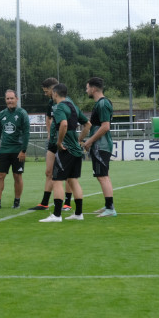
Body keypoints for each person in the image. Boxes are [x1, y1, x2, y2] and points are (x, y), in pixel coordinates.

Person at [39, 83, 91, 222]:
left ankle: (56, 215)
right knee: (73, 180)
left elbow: (64, 124)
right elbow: (88, 125)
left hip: (65, 150)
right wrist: (79, 140)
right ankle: (79, 214)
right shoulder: (73, 106)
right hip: (76, 150)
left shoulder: (60, 107)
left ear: (55, 93)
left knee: (56, 181)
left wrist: (59, 142)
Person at [29, 77, 72, 212]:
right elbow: (49, 118)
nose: (45, 93)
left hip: (65, 141)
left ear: (53, 89)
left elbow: (70, 121)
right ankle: (44, 203)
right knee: (49, 172)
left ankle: (67, 202)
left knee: (67, 174)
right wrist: (49, 134)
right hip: (53, 141)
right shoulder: (50, 103)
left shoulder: (67, 102)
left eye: (46, 90)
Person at [0, 89, 30, 209]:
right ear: (5, 100)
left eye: (12, 98)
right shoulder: (2, 114)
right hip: (4, 150)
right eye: (7, 99)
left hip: (18, 151)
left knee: (17, 176)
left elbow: (27, 133)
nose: (10, 101)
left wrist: (23, 150)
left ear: (17, 99)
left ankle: (16, 201)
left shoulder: (22, 113)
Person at [83, 76, 117, 217]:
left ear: (93, 88)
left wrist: (89, 141)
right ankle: (108, 206)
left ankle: (110, 209)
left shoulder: (103, 104)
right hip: (101, 145)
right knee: (104, 176)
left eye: (87, 88)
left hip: (100, 146)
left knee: (102, 176)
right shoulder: (102, 103)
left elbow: (105, 127)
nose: (86, 91)